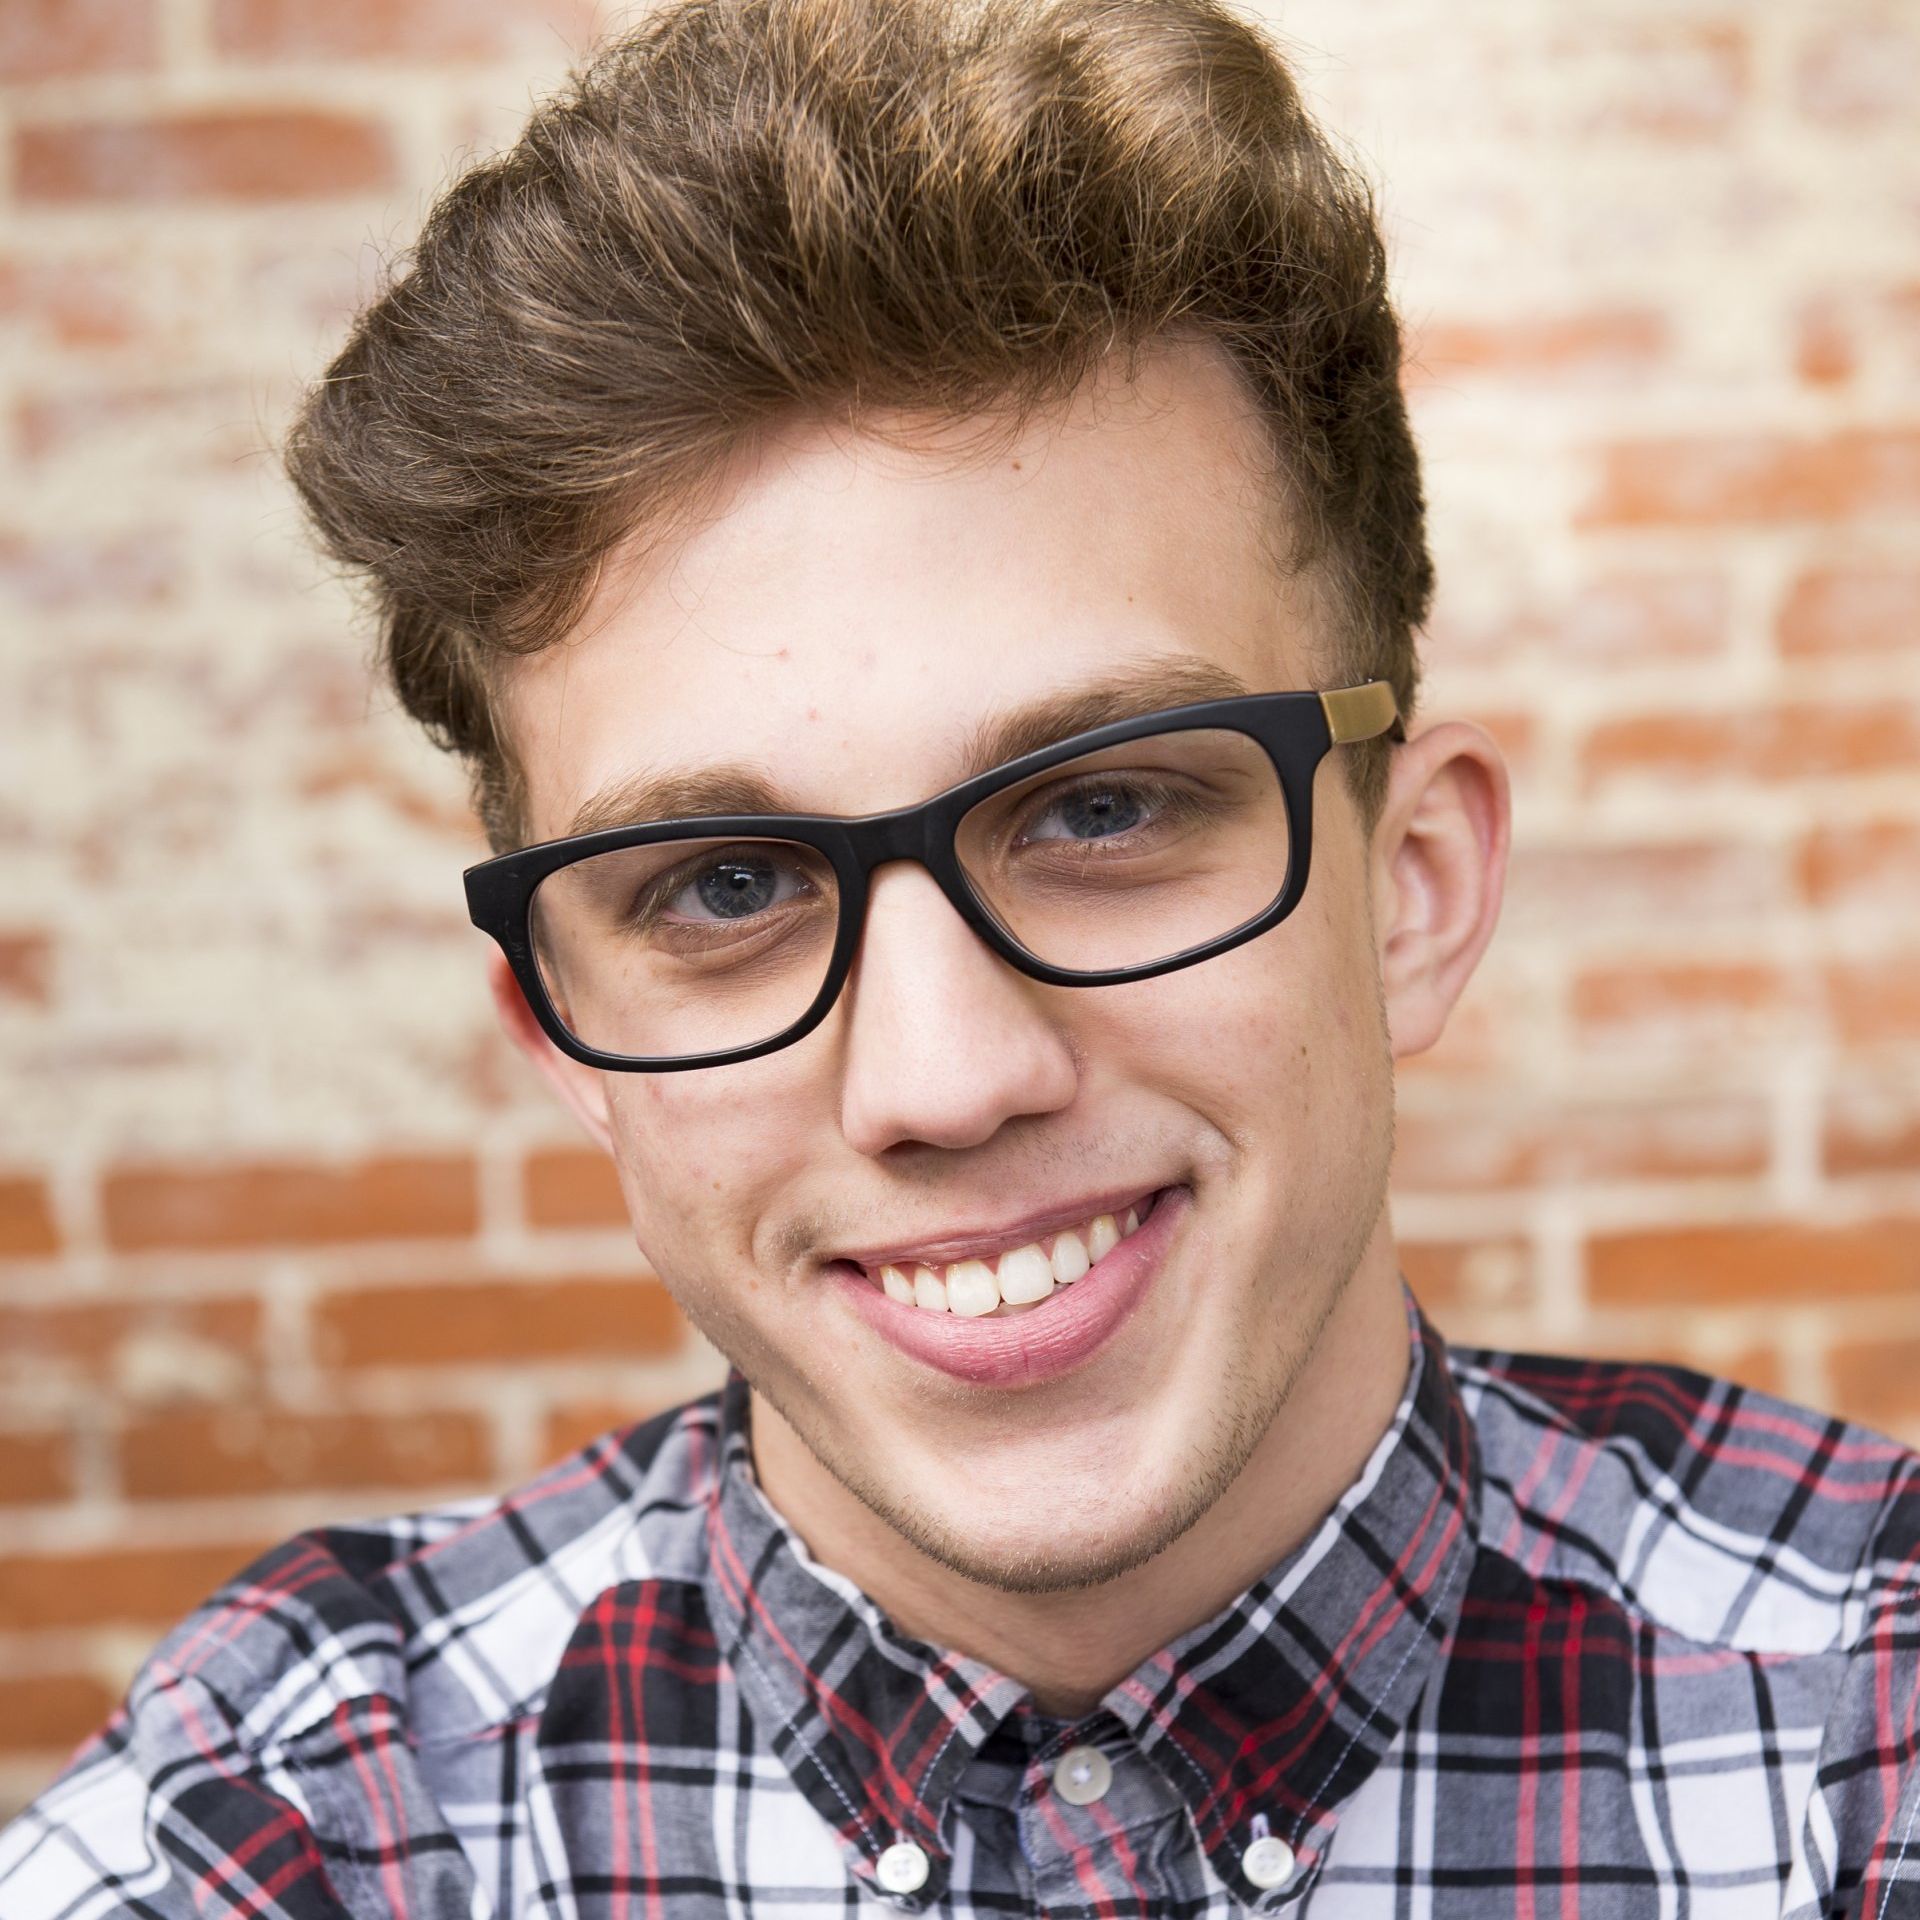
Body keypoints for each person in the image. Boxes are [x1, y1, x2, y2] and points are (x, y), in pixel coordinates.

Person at [4, 0, 1918, 1913]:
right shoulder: (295, 1825)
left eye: (1100, 810)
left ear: (1409, 882)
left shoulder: (1859, 1727)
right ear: (567, 1038)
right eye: (725, 888)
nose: (941, 1076)